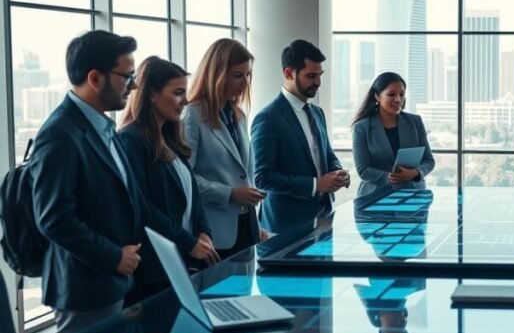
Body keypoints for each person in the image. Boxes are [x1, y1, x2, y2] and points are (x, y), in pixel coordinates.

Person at [30, 30, 190, 333]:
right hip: (85, 288)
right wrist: (114, 256)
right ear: (95, 78)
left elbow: (132, 200)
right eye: (127, 76)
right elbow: (54, 220)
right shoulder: (59, 135)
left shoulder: (104, 128)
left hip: (114, 283)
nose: (134, 86)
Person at [119, 57, 219, 304]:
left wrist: (204, 232)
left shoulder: (170, 137)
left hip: (182, 261)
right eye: (177, 93)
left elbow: (193, 194)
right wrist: (188, 242)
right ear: (152, 94)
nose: (185, 101)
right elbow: (142, 207)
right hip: (154, 267)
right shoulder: (131, 139)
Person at [252, 39, 349, 235]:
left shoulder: (317, 112)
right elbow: (262, 178)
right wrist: (315, 185)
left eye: (320, 75)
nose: (318, 82)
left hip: (323, 218)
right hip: (285, 226)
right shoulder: (268, 118)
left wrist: (337, 172)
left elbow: (327, 155)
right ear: (289, 73)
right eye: (311, 76)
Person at [182, 38, 265, 256]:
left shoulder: (239, 115)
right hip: (214, 234)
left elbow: (243, 173)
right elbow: (185, 178)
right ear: (216, 74)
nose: (245, 83)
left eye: (248, 75)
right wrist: (229, 194)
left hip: (246, 227)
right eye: (237, 75)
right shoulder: (193, 115)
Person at [351, 72, 435, 192]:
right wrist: (389, 177)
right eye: (391, 94)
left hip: (412, 192)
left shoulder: (415, 122)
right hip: (375, 194)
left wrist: (416, 172)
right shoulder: (362, 128)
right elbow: (363, 169)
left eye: (401, 94)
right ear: (377, 96)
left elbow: (428, 160)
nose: (398, 99)